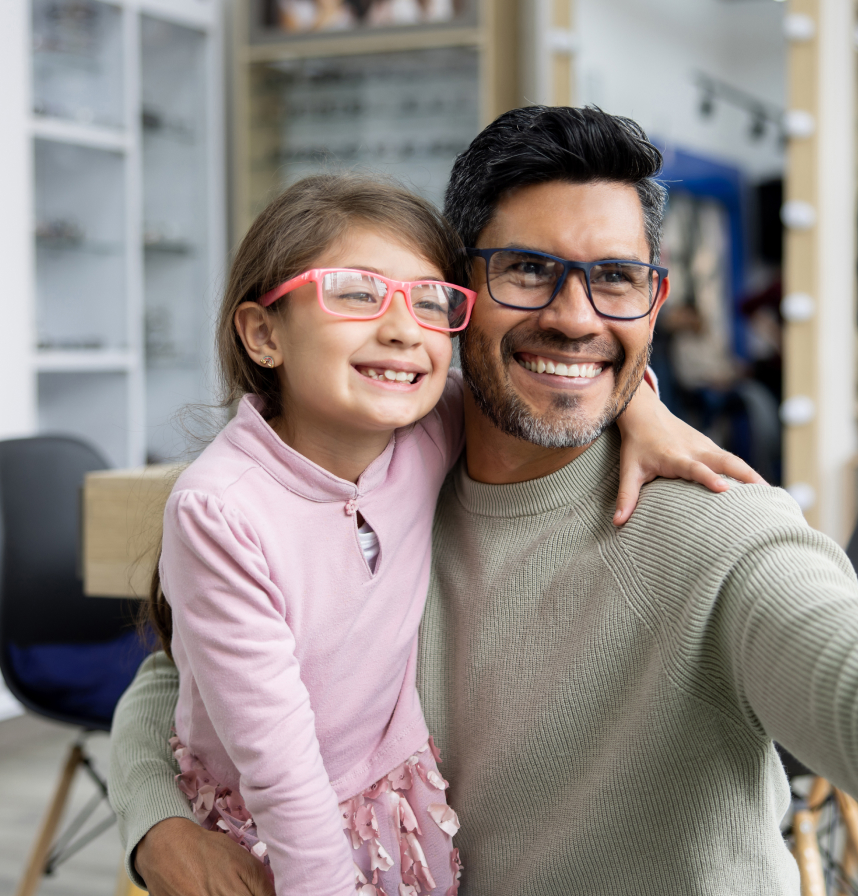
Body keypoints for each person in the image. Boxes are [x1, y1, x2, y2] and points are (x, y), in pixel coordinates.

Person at [111, 106, 858, 896]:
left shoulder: (716, 530)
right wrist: (156, 820)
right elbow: (184, 669)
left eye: (618, 279)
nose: (577, 315)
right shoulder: (389, 463)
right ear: (462, 298)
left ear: (653, 300)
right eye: (528, 270)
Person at [150, 173, 759, 896]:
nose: (403, 330)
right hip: (275, 831)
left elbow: (552, 381)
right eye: (357, 293)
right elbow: (277, 764)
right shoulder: (220, 510)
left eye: (431, 301)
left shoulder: (425, 427)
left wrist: (643, 410)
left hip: (389, 805)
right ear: (263, 333)